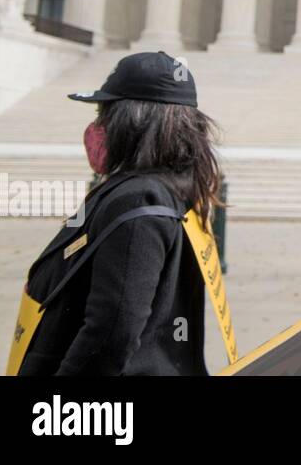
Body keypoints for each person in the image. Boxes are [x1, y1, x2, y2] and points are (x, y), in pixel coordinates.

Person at [15, 51, 222, 375]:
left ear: (131, 120)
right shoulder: (171, 190)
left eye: (104, 112)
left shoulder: (139, 200)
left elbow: (113, 331)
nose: (98, 126)